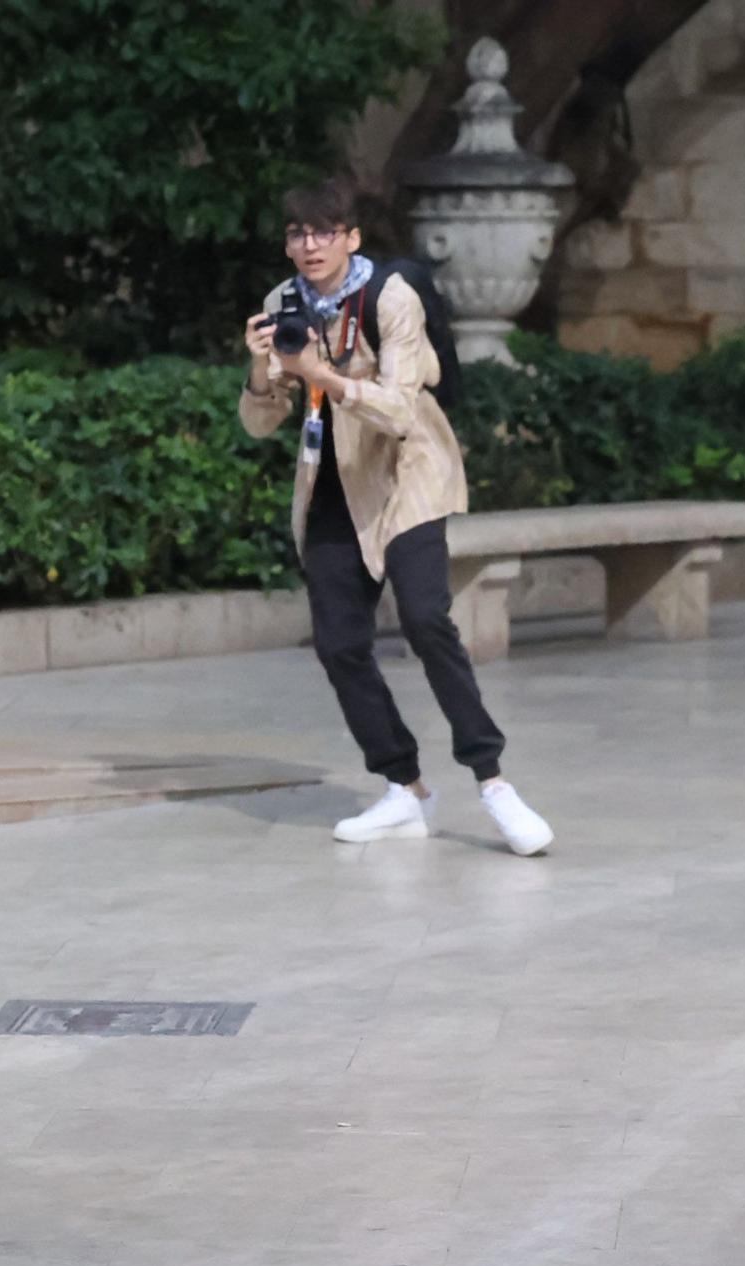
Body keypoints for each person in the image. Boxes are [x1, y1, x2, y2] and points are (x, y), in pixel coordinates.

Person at [239, 180, 553, 856]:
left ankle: (494, 782)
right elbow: (262, 423)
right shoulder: (282, 305)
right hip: (330, 484)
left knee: (425, 620)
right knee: (340, 645)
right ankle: (405, 787)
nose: (309, 244)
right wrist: (262, 372)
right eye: (297, 232)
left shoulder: (390, 296)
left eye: (325, 230)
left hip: (409, 476)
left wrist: (326, 375)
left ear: (352, 236)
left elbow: (402, 411)